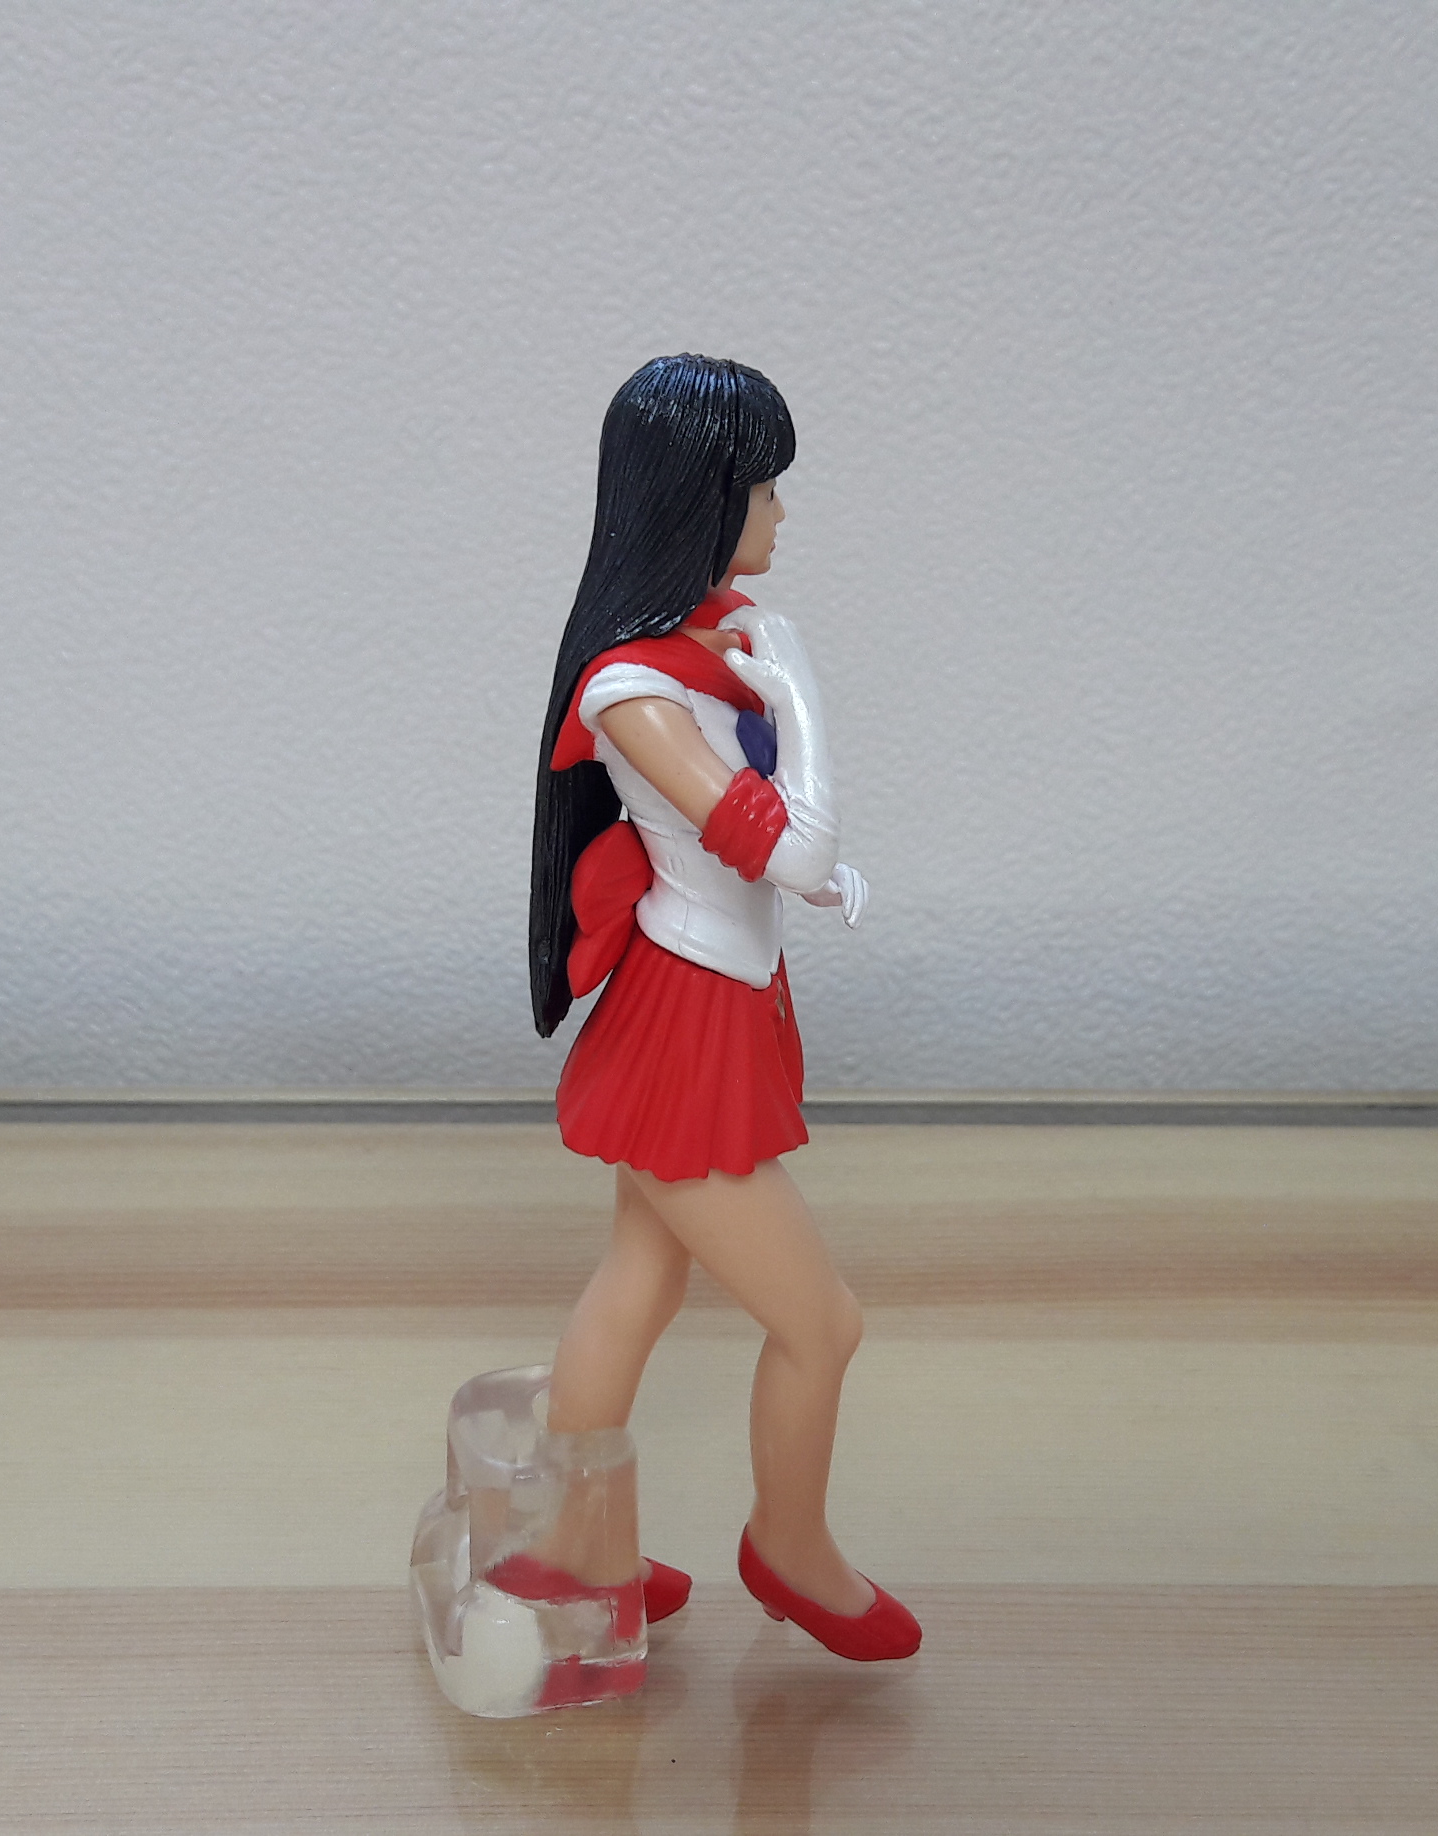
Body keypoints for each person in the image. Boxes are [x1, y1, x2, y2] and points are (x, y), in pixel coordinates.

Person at [508, 353, 918, 1662]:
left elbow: (779, 859)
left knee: (640, 1277)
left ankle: (575, 1555)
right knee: (821, 1323)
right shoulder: (632, 688)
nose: (781, 512)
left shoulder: (704, 645)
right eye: (763, 487)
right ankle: (787, 1547)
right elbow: (783, 848)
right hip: (685, 1019)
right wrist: (804, 703)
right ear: (700, 496)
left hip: (716, 1001)